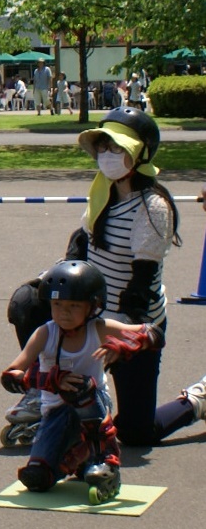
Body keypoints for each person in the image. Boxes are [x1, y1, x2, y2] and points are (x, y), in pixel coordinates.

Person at [67, 106, 180, 445]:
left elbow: (141, 288)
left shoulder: (153, 206)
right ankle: (51, 401)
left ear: (140, 153)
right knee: (28, 303)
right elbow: (80, 253)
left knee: (136, 433)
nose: (107, 155)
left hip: (135, 322)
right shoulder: (103, 193)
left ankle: (196, 400)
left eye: (117, 148)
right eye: (103, 147)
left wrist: (122, 340)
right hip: (95, 315)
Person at [0, 260, 151, 504]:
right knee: (38, 476)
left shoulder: (99, 328)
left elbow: (153, 333)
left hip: (93, 406)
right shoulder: (45, 333)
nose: (63, 312)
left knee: (81, 387)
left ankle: (105, 459)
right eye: (57, 304)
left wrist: (125, 345)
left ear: (92, 307)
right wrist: (51, 380)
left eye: (73, 305)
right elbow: (10, 375)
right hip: (55, 413)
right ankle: (80, 457)